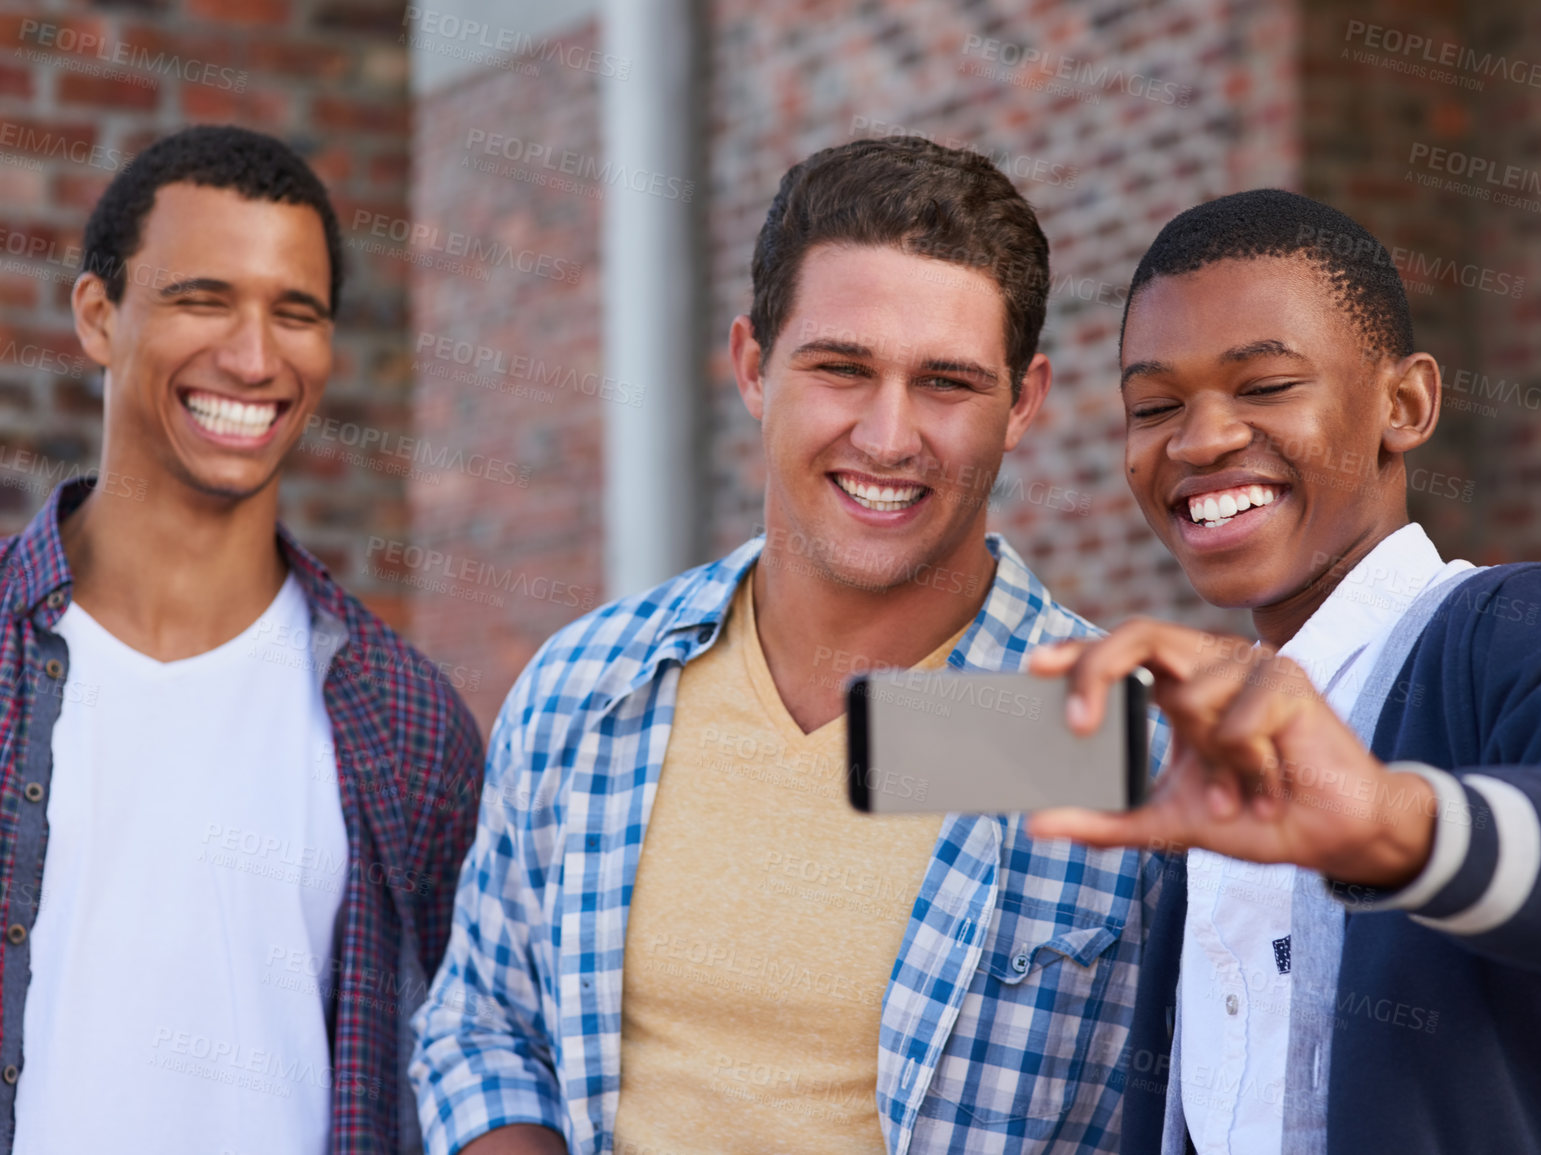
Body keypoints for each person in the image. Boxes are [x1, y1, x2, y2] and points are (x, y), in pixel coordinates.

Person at [412, 136, 1165, 1154]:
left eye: (946, 383)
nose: (890, 437)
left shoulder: (1105, 735)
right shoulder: (593, 689)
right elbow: (484, 1027)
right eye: (843, 369)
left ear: (1022, 403)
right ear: (754, 367)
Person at [1027, 188, 1541, 1155]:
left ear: (1404, 404)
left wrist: (1392, 823)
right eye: (1153, 406)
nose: (1198, 440)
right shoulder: (1200, 730)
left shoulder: (1505, 630)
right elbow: (881, 754)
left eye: (1266, 385)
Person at [0, 125, 484, 1155]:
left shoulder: (406, 721)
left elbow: (466, 1063)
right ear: (99, 316)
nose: (255, 357)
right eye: (202, 298)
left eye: (294, 314)